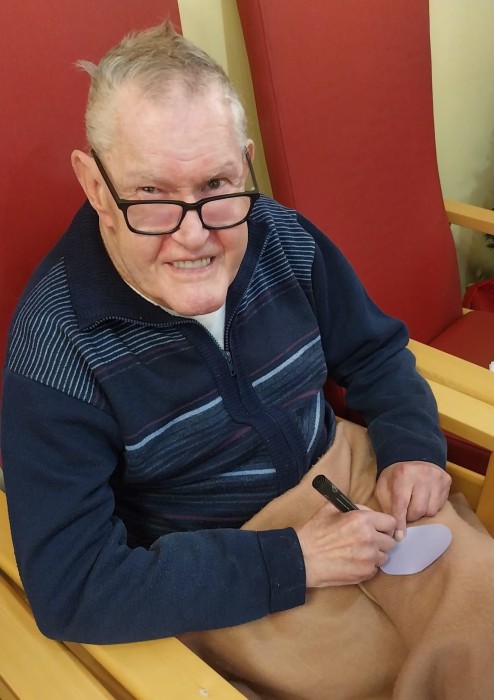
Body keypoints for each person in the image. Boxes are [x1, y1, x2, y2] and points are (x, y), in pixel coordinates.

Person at [1, 20, 451, 648]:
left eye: (216, 185)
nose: (193, 236)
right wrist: (294, 560)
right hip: (222, 575)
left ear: (244, 164)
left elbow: (375, 353)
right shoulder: (56, 348)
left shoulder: (283, 237)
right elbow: (74, 589)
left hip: (357, 488)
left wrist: (413, 446)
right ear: (97, 188)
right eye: (151, 194)